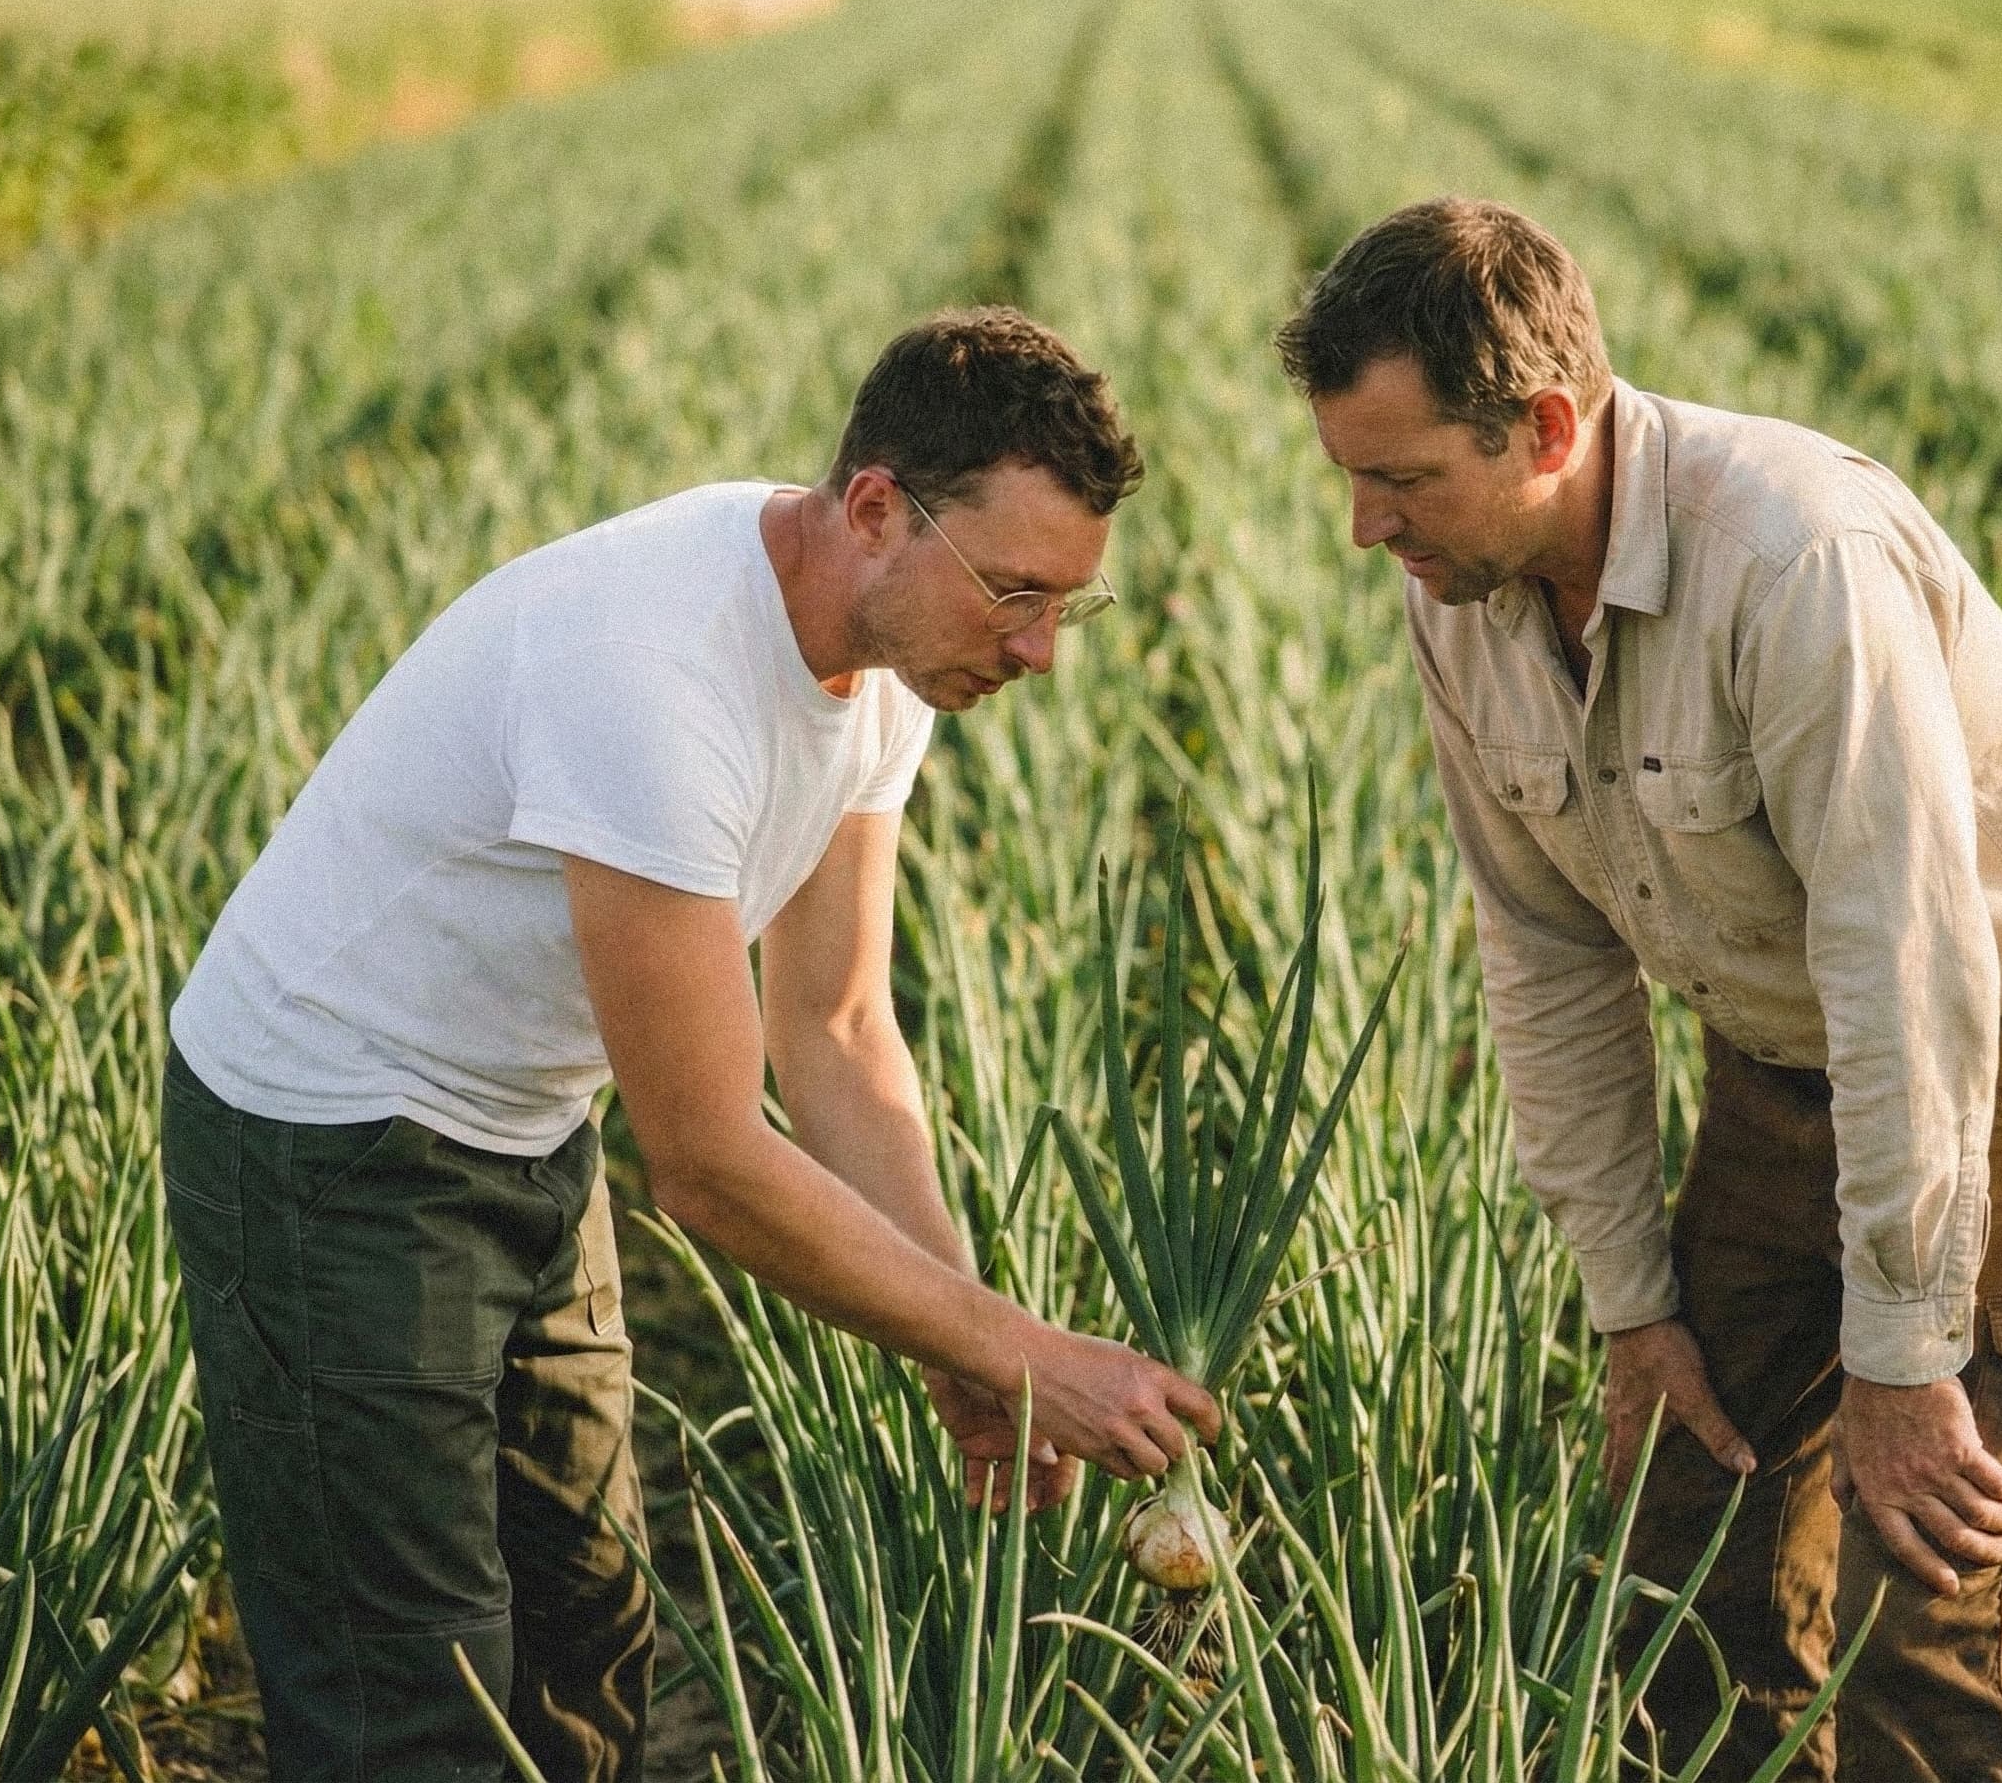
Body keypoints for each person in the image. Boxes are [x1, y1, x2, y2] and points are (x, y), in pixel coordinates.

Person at [160, 307, 1222, 1783]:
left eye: (1067, 605)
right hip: (333, 1136)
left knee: (587, 1619)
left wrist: (972, 1352)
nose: (1040, 649)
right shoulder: (654, 676)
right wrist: (1030, 1352)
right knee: (415, 1690)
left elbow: (837, 1029)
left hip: (528, 1119)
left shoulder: (893, 653)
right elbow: (712, 1165)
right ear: (872, 511)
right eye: (1017, 593)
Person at [1275, 199, 2002, 1782]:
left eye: (1401, 477)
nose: (1368, 526)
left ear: (1547, 428)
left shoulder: (1792, 557)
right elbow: (1548, 957)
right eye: (1352, 474)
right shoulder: (1467, 596)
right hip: (1784, 1056)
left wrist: (1904, 1351)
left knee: (1936, 1598)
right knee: (1690, 1535)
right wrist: (1633, 1305)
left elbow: (1904, 956)